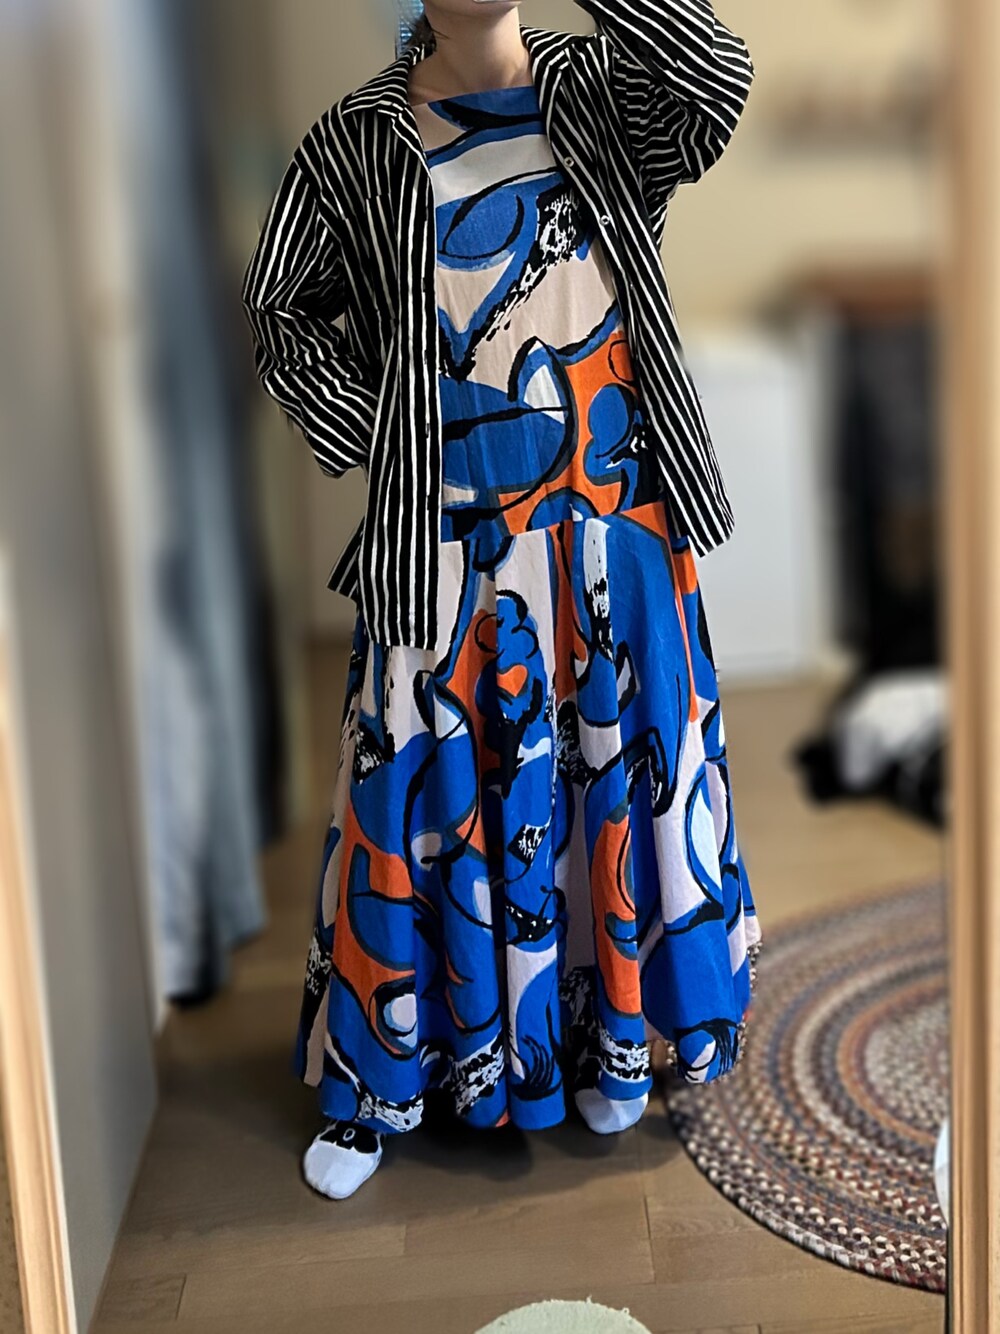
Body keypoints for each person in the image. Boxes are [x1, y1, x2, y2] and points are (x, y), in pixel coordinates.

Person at [241, 0, 763, 1202]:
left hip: (613, 530)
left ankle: (607, 1043)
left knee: (619, 779)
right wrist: (382, 435)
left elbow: (717, 73)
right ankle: (379, 1082)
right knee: (412, 792)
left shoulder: (607, 93)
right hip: (445, 548)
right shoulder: (356, 140)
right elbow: (280, 312)